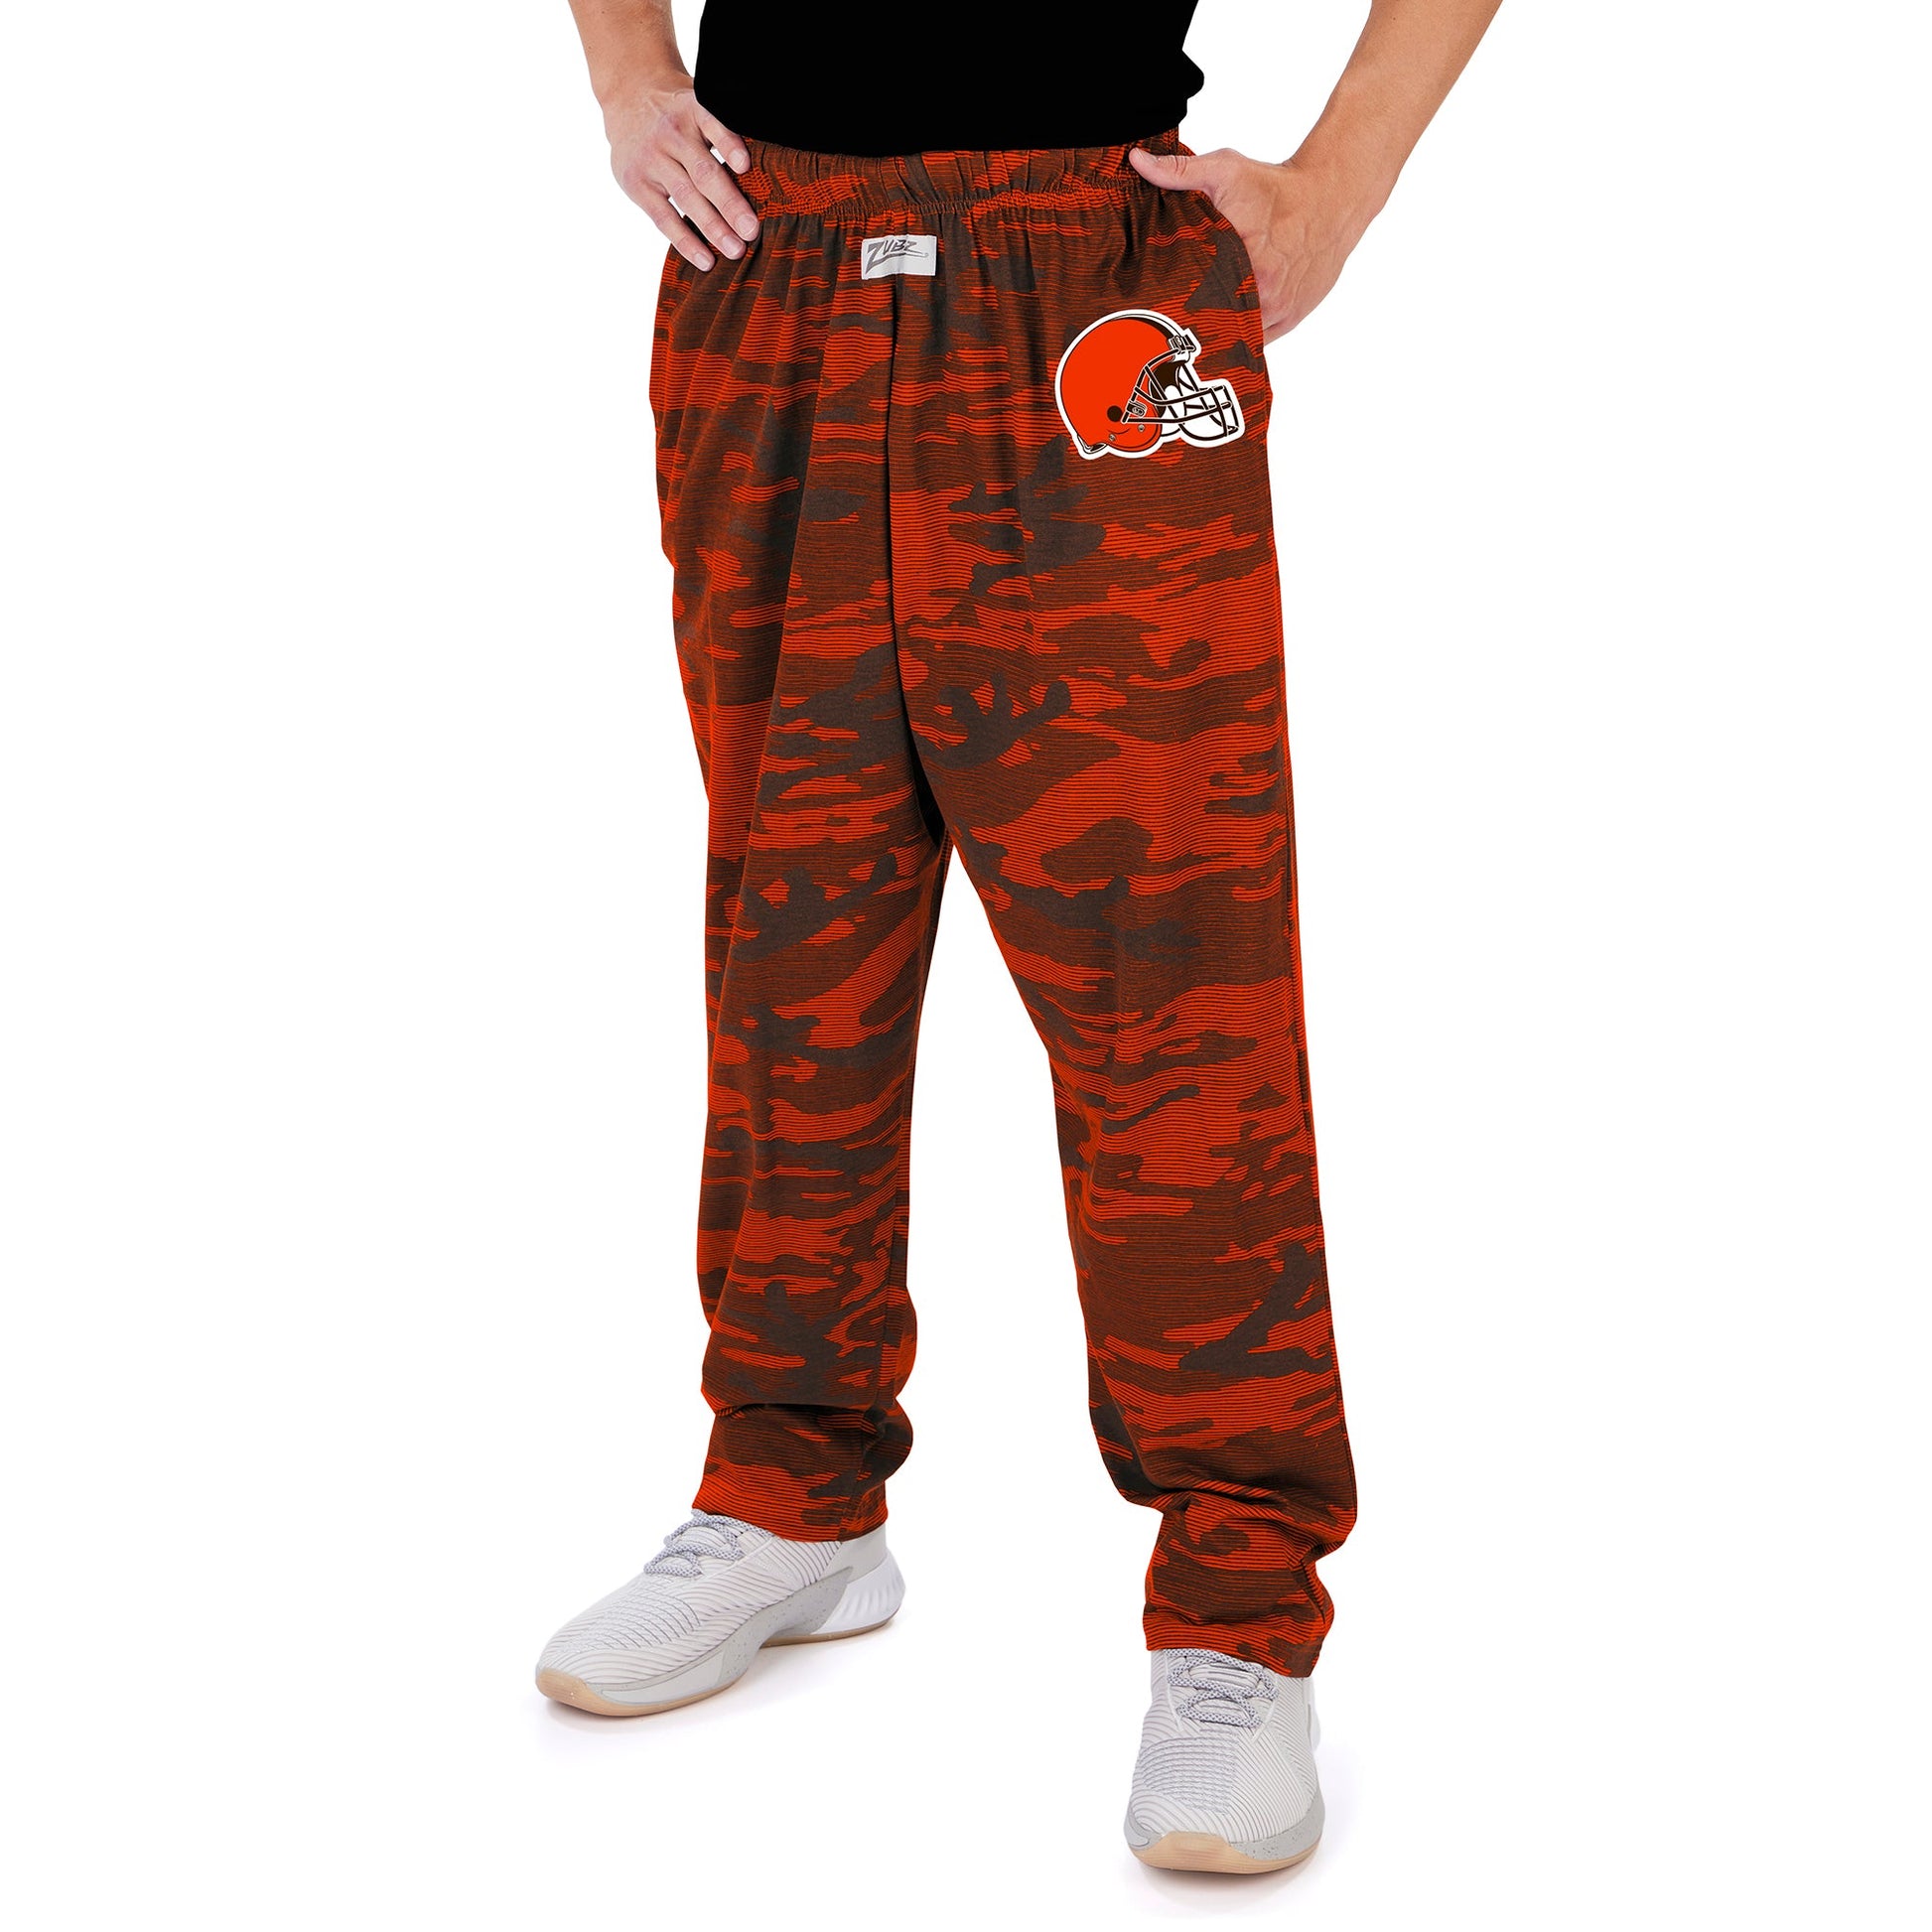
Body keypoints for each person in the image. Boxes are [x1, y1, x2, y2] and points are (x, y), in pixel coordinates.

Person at [536, 0, 1500, 1875]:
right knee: (792, 926)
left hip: (1091, 282)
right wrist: (628, 74)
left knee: (1169, 971)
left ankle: (1237, 1607)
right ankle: (791, 1490)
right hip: (766, 260)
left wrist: (1338, 186)